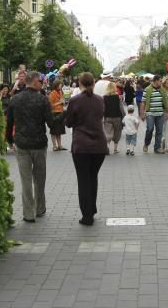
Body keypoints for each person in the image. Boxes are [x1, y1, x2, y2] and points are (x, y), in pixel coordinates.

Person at [6, 71, 55, 223]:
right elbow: (51, 123)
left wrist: (9, 139)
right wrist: (64, 115)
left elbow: (9, 123)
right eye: (40, 81)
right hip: (39, 144)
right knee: (40, 178)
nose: (42, 83)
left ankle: (28, 213)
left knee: (25, 180)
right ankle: (40, 208)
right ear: (34, 82)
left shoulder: (15, 99)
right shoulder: (43, 99)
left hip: (21, 144)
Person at [65, 72, 108, 226]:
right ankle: (92, 209)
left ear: (80, 84)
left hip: (81, 146)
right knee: (92, 178)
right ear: (94, 84)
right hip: (99, 146)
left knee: (83, 180)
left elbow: (68, 122)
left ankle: (87, 215)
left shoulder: (75, 100)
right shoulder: (100, 100)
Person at [140, 75, 168, 154]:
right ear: (155, 81)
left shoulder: (162, 90)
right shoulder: (147, 89)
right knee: (150, 129)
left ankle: (157, 148)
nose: (161, 82)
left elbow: (166, 101)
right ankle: (146, 144)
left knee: (159, 131)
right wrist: (142, 113)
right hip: (150, 113)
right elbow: (143, 102)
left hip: (160, 113)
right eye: (160, 81)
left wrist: (167, 112)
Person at [103, 82, 124, 154]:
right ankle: (115, 149)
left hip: (108, 117)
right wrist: (124, 116)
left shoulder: (104, 97)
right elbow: (121, 109)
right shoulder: (118, 97)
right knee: (117, 133)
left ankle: (107, 147)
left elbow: (103, 108)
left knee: (108, 133)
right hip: (117, 117)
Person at [48, 79, 67, 151]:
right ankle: (54, 146)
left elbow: (61, 101)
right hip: (54, 113)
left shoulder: (61, 92)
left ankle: (60, 145)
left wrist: (63, 103)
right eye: (60, 84)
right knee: (53, 131)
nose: (61, 85)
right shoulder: (52, 93)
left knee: (59, 131)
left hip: (61, 112)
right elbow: (50, 105)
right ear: (56, 85)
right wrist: (59, 102)